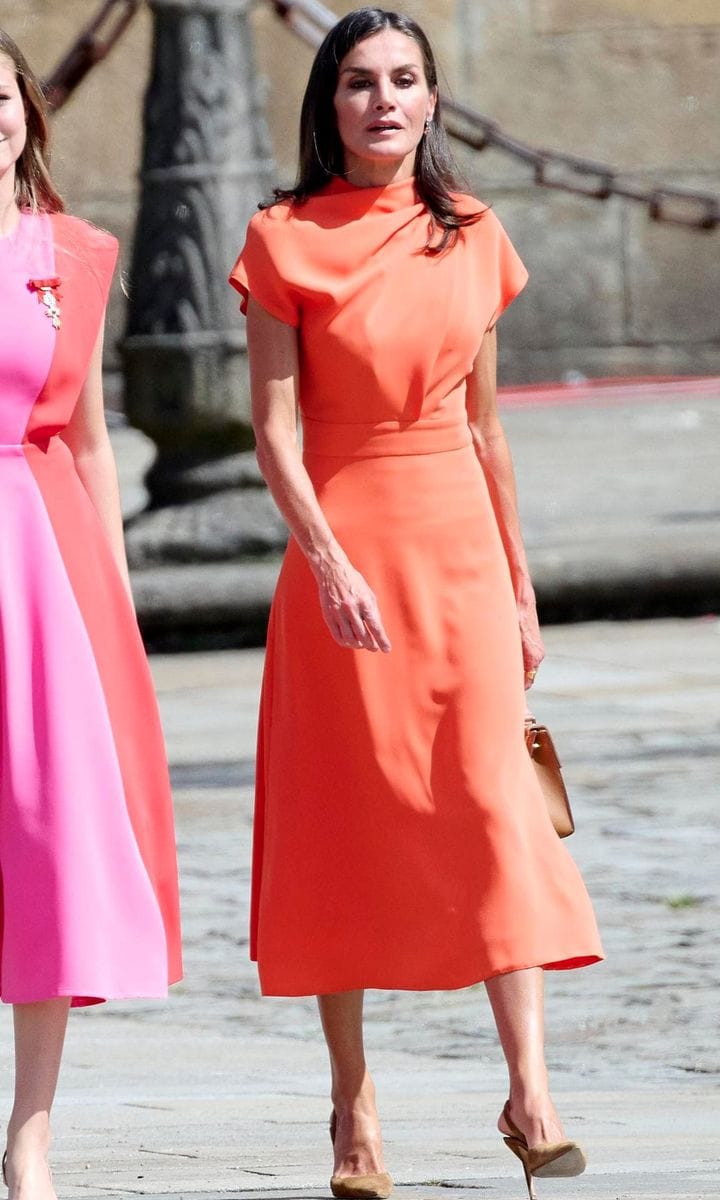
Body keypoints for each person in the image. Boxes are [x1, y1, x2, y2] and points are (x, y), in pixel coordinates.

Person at [229, 8, 602, 1199]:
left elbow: (486, 427)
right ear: (327, 106)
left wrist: (523, 586)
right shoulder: (282, 238)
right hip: (345, 558)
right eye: (357, 82)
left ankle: (531, 1089)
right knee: (344, 818)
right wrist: (328, 561)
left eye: (404, 80)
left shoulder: (472, 233)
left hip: (461, 558)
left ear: (433, 101)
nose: (383, 99)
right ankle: (352, 1109)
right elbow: (273, 432)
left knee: (499, 806)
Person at [0, 30, 182, 1200]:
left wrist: (112, 599)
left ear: (27, 107)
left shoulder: (73, 251)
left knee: (49, 843)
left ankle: (31, 1136)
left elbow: (91, 437)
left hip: (40, 565)